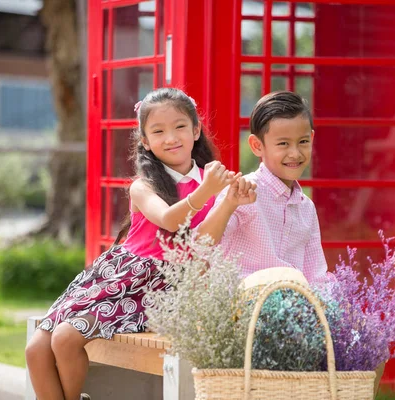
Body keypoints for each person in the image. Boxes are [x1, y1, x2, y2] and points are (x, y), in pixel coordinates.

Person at [25, 88, 244, 400]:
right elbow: (169, 219)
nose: (171, 138)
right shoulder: (144, 186)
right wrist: (206, 191)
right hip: (114, 275)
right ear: (145, 141)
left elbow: (203, 243)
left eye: (180, 126)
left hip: (156, 287)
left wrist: (225, 198)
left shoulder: (211, 185)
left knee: (64, 339)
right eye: (158, 131)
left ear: (196, 130)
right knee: (36, 348)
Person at [199, 91, 328, 285]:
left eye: (303, 142)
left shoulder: (306, 208)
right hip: (243, 308)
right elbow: (202, 245)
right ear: (257, 145)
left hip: (295, 307)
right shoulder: (242, 193)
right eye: (283, 144)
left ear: (311, 138)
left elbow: (317, 276)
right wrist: (228, 204)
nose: (295, 153)